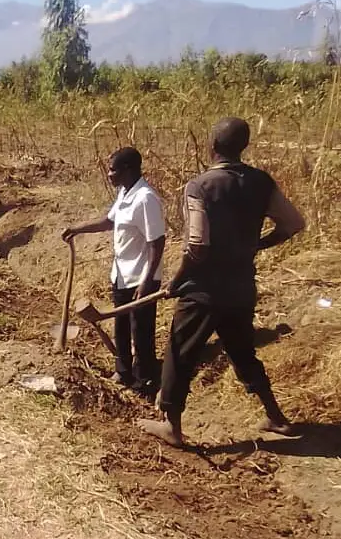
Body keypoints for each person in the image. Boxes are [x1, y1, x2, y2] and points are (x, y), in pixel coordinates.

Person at [139, 117, 306, 448]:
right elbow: (294, 223)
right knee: (243, 352)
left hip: (203, 292)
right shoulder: (261, 182)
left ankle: (171, 426)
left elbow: (197, 247)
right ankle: (276, 417)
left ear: (211, 146)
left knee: (178, 353)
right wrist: (258, 245)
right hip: (242, 288)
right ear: (242, 147)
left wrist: (177, 280)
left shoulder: (200, 186)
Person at [62, 147, 166, 396]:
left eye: (113, 169)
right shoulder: (124, 193)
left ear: (129, 169)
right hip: (121, 273)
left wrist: (147, 280)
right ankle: (123, 371)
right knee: (121, 326)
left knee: (141, 331)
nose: (109, 174)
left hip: (140, 277)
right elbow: (109, 221)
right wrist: (77, 228)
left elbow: (157, 242)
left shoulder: (146, 199)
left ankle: (144, 382)